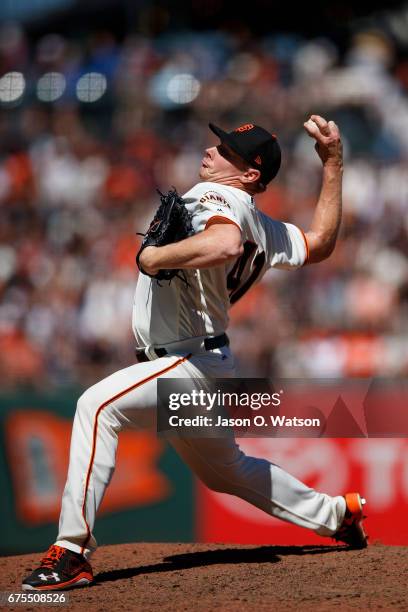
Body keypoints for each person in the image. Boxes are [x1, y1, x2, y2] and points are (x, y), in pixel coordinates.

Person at [22, 115, 367, 591]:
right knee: (226, 472)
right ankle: (335, 514)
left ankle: (72, 550)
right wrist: (333, 164)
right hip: (204, 361)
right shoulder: (258, 220)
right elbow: (321, 244)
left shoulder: (217, 197)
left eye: (227, 151)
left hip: (188, 363)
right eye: (219, 142)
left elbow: (224, 242)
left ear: (249, 175)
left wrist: (151, 257)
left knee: (96, 407)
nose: (212, 151)